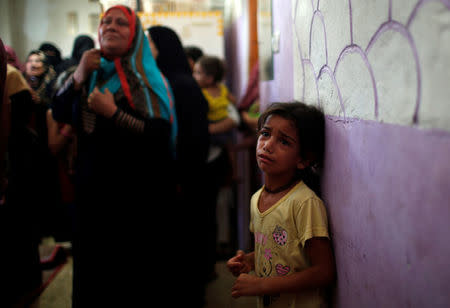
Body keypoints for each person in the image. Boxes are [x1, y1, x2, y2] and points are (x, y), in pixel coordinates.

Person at [52, 5, 177, 307]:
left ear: (135, 35)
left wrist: (113, 113)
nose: (111, 26)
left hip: (133, 197)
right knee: (91, 275)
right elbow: (58, 111)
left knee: (129, 277)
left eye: (122, 23)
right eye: (106, 21)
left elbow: (159, 137)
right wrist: (79, 75)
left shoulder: (148, 78)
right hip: (91, 193)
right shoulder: (86, 73)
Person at [227, 102, 336, 308]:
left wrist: (262, 285)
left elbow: (324, 271)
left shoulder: (304, 203)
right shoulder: (256, 199)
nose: (267, 145)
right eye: (265, 134)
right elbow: (277, 250)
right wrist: (249, 261)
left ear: (303, 160)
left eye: (284, 142)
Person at [147, 25, 210, 306]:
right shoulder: (169, 79)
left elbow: (193, 137)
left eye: (150, 43)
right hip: (182, 175)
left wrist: (180, 176)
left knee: (183, 244)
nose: (146, 49)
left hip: (183, 176)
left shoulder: (178, 83)